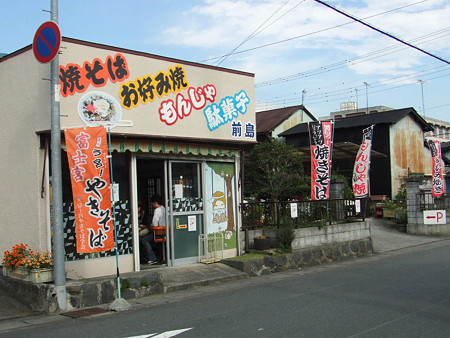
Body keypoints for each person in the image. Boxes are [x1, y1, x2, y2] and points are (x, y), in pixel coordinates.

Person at [142, 195, 166, 265]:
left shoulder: (157, 210)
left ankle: (152, 258)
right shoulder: (164, 209)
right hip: (165, 232)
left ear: (155, 202)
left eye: (152, 203)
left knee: (144, 240)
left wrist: (149, 225)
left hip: (158, 232)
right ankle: (159, 256)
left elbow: (155, 223)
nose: (152, 205)